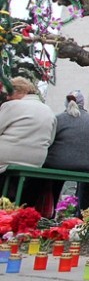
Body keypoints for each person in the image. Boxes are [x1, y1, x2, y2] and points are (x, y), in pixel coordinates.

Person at [0, 77, 58, 212]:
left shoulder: (12, 106)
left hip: (6, 159)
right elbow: (50, 140)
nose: (7, 98)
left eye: (9, 94)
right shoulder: (48, 111)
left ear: (20, 91)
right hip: (35, 162)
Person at [42, 90, 89, 209]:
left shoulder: (59, 118)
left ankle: (48, 209)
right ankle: (82, 213)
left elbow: (49, 141)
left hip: (58, 164)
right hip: (87, 166)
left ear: (66, 102)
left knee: (44, 177)